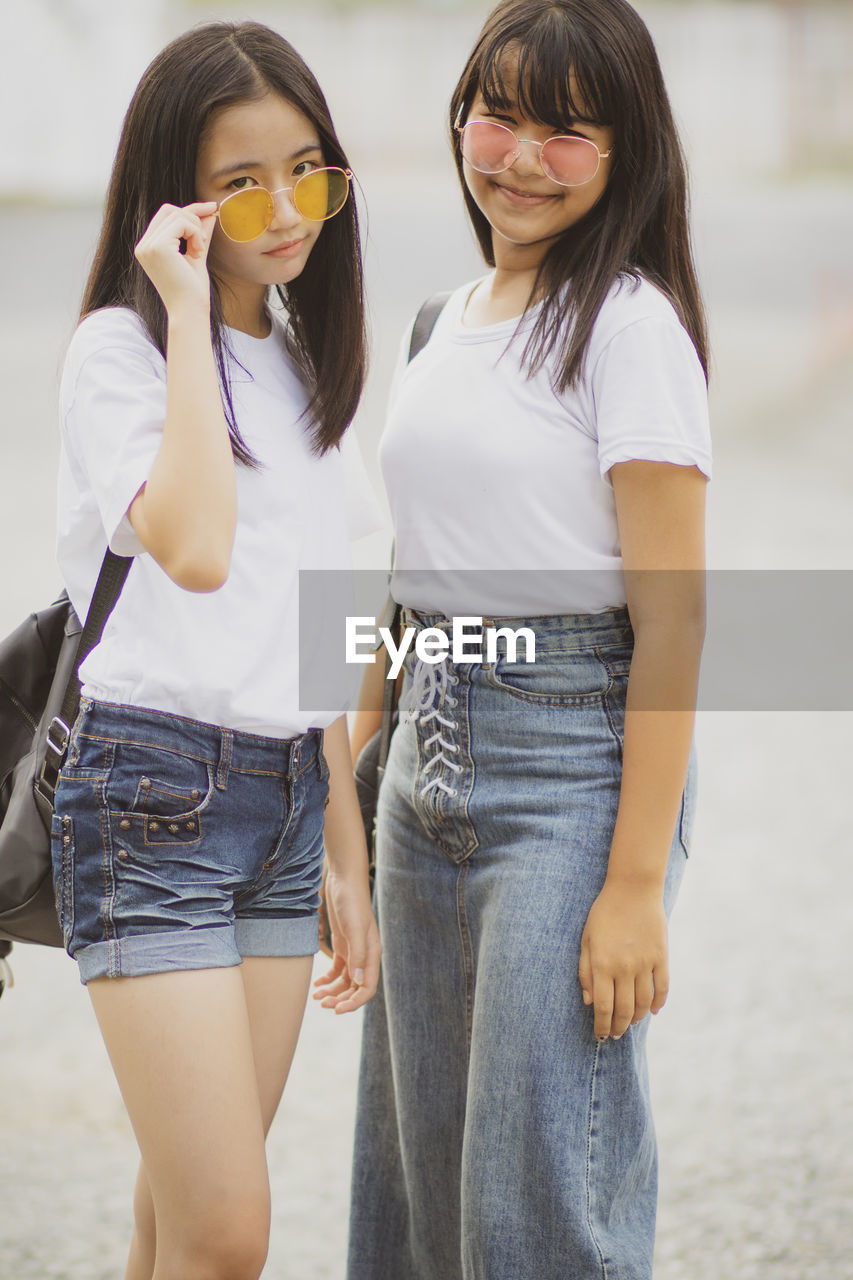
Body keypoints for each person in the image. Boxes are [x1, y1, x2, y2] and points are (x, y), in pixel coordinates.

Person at [324, 2, 712, 1277]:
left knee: (530, 1205)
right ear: (459, 121)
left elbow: (672, 619)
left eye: (569, 130)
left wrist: (637, 885)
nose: (521, 158)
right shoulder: (445, 323)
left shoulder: (630, 328)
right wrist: (356, 784)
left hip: (566, 775)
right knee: (418, 1195)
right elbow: (408, 575)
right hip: (420, 771)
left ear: (626, 149)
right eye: (499, 116)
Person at [51, 21, 380, 1280]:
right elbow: (189, 543)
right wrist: (187, 309)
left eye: (306, 170)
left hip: (289, 799)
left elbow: (320, 632)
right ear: (174, 195)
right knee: (229, 1230)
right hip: (152, 792)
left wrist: (342, 854)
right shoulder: (119, 354)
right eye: (240, 182)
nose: (285, 209)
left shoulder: (305, 368)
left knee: (176, 1210)